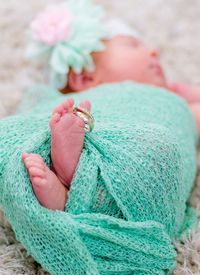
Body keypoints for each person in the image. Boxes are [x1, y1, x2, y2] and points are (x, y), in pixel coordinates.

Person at [22, 2, 200, 212]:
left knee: (157, 143)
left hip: (138, 160)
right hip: (118, 151)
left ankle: (69, 193)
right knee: (90, 130)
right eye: (132, 44)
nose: (153, 52)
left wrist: (176, 92)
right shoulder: (101, 100)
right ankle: (71, 178)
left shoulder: (168, 104)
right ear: (85, 78)